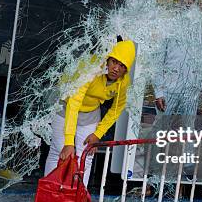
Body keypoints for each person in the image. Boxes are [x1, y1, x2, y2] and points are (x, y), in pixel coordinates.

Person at [44, 39, 136, 186]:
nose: (116, 68)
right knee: (60, 153)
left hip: (91, 112)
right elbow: (74, 103)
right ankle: (48, 196)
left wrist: (98, 134)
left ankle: (79, 197)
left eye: (122, 66)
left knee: (86, 156)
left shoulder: (124, 82)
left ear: (126, 70)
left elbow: (116, 109)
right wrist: (69, 142)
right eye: (114, 62)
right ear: (108, 59)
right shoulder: (91, 68)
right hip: (66, 106)